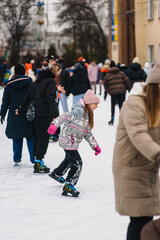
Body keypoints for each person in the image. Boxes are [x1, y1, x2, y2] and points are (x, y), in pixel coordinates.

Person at [112, 60, 160, 240]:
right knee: (141, 217)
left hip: (147, 166)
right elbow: (139, 134)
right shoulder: (135, 104)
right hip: (131, 168)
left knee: (146, 217)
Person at [47, 89, 101, 197]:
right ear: (89, 103)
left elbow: (87, 133)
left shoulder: (86, 116)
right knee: (77, 164)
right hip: (68, 141)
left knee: (69, 159)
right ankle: (69, 185)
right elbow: (64, 116)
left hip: (71, 142)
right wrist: (54, 125)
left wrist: (95, 146)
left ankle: (57, 173)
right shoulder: (79, 111)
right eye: (95, 104)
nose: (96, 106)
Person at [17, 61, 59, 173]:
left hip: (33, 114)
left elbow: (27, 97)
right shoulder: (50, 82)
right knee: (43, 138)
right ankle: (39, 162)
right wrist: (55, 114)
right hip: (43, 114)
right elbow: (51, 98)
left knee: (36, 137)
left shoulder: (36, 83)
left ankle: (37, 161)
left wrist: (21, 110)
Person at [0, 64, 35, 164]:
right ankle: (33, 158)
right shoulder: (30, 83)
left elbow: (5, 102)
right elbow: (33, 98)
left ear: (15, 72)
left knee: (17, 137)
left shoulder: (9, 85)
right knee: (30, 137)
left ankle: (17, 158)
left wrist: (2, 114)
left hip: (14, 114)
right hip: (28, 113)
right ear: (24, 72)